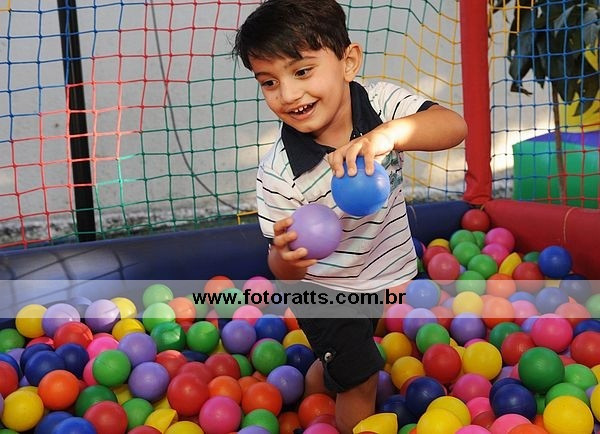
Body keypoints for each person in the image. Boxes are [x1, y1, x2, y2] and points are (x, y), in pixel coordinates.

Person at [233, 1, 467, 432]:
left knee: (350, 355)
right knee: (361, 377)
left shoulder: (381, 103)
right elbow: (281, 269)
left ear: (348, 62)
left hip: (383, 274)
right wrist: (288, 258)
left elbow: (454, 126)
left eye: (302, 71)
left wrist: (388, 136)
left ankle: (312, 387)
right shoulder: (280, 172)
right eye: (269, 82)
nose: (288, 94)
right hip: (323, 290)